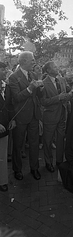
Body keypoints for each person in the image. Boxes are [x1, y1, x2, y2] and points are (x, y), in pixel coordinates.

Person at [9, 51, 43, 180]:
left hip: (34, 115)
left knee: (34, 144)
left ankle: (34, 168)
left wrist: (41, 88)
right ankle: (17, 169)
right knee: (18, 144)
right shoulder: (13, 77)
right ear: (23, 62)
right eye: (32, 60)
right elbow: (16, 98)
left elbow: (39, 95)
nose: (34, 62)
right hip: (21, 116)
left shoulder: (34, 74)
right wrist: (30, 88)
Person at [41, 61, 73, 172]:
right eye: (54, 67)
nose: (57, 68)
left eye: (57, 66)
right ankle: (48, 162)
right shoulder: (43, 83)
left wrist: (71, 94)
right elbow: (43, 102)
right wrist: (58, 98)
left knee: (61, 140)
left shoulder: (62, 79)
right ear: (48, 70)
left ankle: (59, 161)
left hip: (62, 115)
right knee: (48, 141)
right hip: (50, 117)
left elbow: (69, 93)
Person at [0, 62, 16, 192]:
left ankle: (2, 180)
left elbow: (10, 105)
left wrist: (13, 119)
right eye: (2, 69)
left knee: (2, 155)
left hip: (5, 126)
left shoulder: (7, 87)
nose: (5, 71)